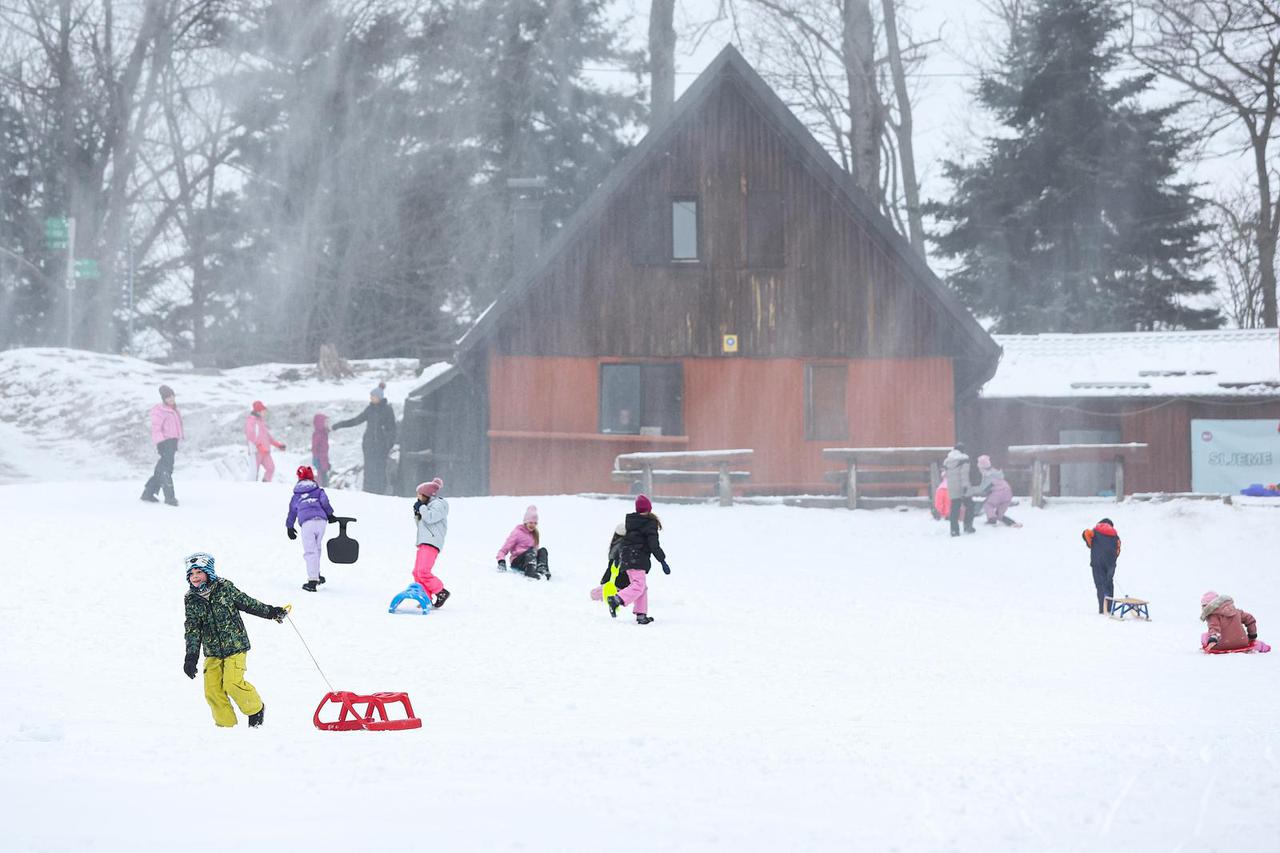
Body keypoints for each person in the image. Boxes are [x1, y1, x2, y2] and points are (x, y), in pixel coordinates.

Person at [182, 552, 288, 728]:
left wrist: (271, 612)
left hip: (235, 646)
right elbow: (193, 628)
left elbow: (248, 603)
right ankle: (226, 728)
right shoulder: (190, 599)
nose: (195, 577)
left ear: (208, 572)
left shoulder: (224, 587)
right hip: (212, 651)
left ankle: (255, 709)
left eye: (199, 572)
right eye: (191, 574)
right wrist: (191, 656)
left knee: (232, 684)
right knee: (212, 691)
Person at [606, 494, 670, 625]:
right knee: (638, 585)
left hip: (628, 557)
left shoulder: (631, 523)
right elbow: (654, 545)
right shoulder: (649, 524)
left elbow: (624, 542)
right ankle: (617, 599)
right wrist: (662, 560)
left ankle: (641, 615)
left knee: (642, 587)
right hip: (637, 558)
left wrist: (619, 559)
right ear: (649, 509)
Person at [332, 382, 397, 494]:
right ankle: (368, 491)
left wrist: (388, 444)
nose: (371, 398)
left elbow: (392, 429)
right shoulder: (370, 409)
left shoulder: (387, 410)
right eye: (371, 396)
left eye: (373, 396)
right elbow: (356, 420)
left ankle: (380, 492)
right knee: (369, 470)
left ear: (379, 397)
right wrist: (339, 425)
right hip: (369, 445)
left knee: (380, 470)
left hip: (381, 446)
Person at [287, 465, 338, 592]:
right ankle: (317, 574)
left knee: (310, 551)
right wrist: (330, 515)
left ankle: (312, 581)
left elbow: (292, 511)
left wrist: (289, 526)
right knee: (317, 548)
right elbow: (325, 502)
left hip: (307, 523)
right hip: (321, 521)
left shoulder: (296, 496)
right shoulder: (318, 491)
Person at [411, 478, 451, 608]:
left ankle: (441, 592)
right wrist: (417, 514)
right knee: (416, 572)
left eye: (420, 495)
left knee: (423, 571)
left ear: (427, 494)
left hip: (432, 542)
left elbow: (430, 518)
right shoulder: (427, 506)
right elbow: (421, 525)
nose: (418, 498)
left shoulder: (439, 504)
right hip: (424, 541)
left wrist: (422, 508)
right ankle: (425, 597)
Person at [141, 384, 183, 506]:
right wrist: (160, 443)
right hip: (165, 442)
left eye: (172, 396)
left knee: (161, 469)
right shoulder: (160, 411)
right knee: (166, 470)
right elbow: (156, 428)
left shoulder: (173, 409)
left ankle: (148, 493)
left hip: (173, 441)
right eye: (168, 397)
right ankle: (170, 497)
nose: (171, 399)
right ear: (163, 399)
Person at [496, 505, 550, 579]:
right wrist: (501, 561)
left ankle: (542, 569)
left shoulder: (535, 534)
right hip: (517, 561)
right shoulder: (517, 532)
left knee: (543, 550)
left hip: (530, 559)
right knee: (531, 551)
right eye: (531, 522)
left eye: (535, 523)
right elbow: (504, 549)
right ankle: (530, 571)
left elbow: (536, 551)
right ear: (526, 522)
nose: (533, 525)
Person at [1082, 518, 1121, 614]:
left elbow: (1086, 533)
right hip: (1111, 563)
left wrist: (1090, 544)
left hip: (1097, 562)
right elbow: (1118, 549)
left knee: (1100, 584)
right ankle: (1109, 608)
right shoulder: (1115, 535)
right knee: (1109, 583)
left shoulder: (1095, 531)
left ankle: (1102, 609)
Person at [244, 400, 286, 482]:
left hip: (265, 451)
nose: (264, 412)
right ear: (258, 411)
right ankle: (248, 490)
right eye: (263, 410)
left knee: (271, 468)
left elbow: (268, 437)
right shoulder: (251, 420)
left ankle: (265, 486)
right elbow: (250, 435)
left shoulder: (261, 422)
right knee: (254, 473)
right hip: (255, 451)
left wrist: (278, 445)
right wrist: (258, 445)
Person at [975, 455, 1021, 527]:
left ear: (982, 468)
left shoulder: (987, 476)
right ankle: (1011, 523)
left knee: (988, 504)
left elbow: (984, 489)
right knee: (999, 514)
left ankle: (992, 520)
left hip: (999, 493)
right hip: (1008, 492)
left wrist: (973, 491)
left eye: (979, 468)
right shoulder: (996, 473)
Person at [942, 443, 976, 537]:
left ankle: (954, 530)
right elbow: (964, 474)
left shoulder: (948, 461)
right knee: (970, 505)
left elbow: (946, 475)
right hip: (962, 487)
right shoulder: (964, 460)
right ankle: (968, 526)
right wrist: (965, 486)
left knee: (954, 508)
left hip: (952, 487)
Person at [591, 522, 628, 603]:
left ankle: (618, 595)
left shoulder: (617, 547)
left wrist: (605, 581)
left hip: (617, 583)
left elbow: (611, 567)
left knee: (593, 594)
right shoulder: (629, 547)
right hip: (627, 584)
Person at [311, 413, 331, 487]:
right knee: (321, 479)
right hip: (319, 460)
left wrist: (327, 463)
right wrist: (315, 458)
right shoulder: (317, 434)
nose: (327, 424)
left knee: (325, 478)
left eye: (327, 422)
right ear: (320, 423)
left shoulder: (324, 433)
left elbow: (325, 450)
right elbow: (314, 448)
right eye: (325, 422)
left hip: (324, 460)